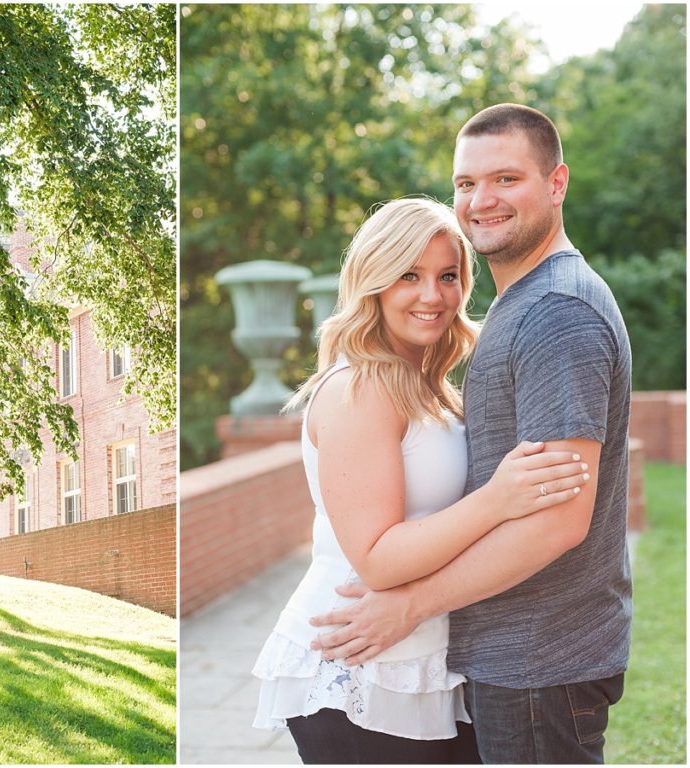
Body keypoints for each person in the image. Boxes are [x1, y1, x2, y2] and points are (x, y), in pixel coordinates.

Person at [309, 104, 633, 764]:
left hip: (538, 659)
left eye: (507, 179)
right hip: (501, 661)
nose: (482, 200)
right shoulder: (521, 310)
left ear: (557, 183)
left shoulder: (556, 312)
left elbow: (557, 520)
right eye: (466, 184)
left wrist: (413, 605)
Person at [251, 196, 592, 764]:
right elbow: (378, 558)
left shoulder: (426, 383)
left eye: (448, 276)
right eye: (409, 275)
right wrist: (497, 500)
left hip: (419, 660)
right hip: (356, 670)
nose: (433, 296)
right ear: (374, 281)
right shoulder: (361, 388)